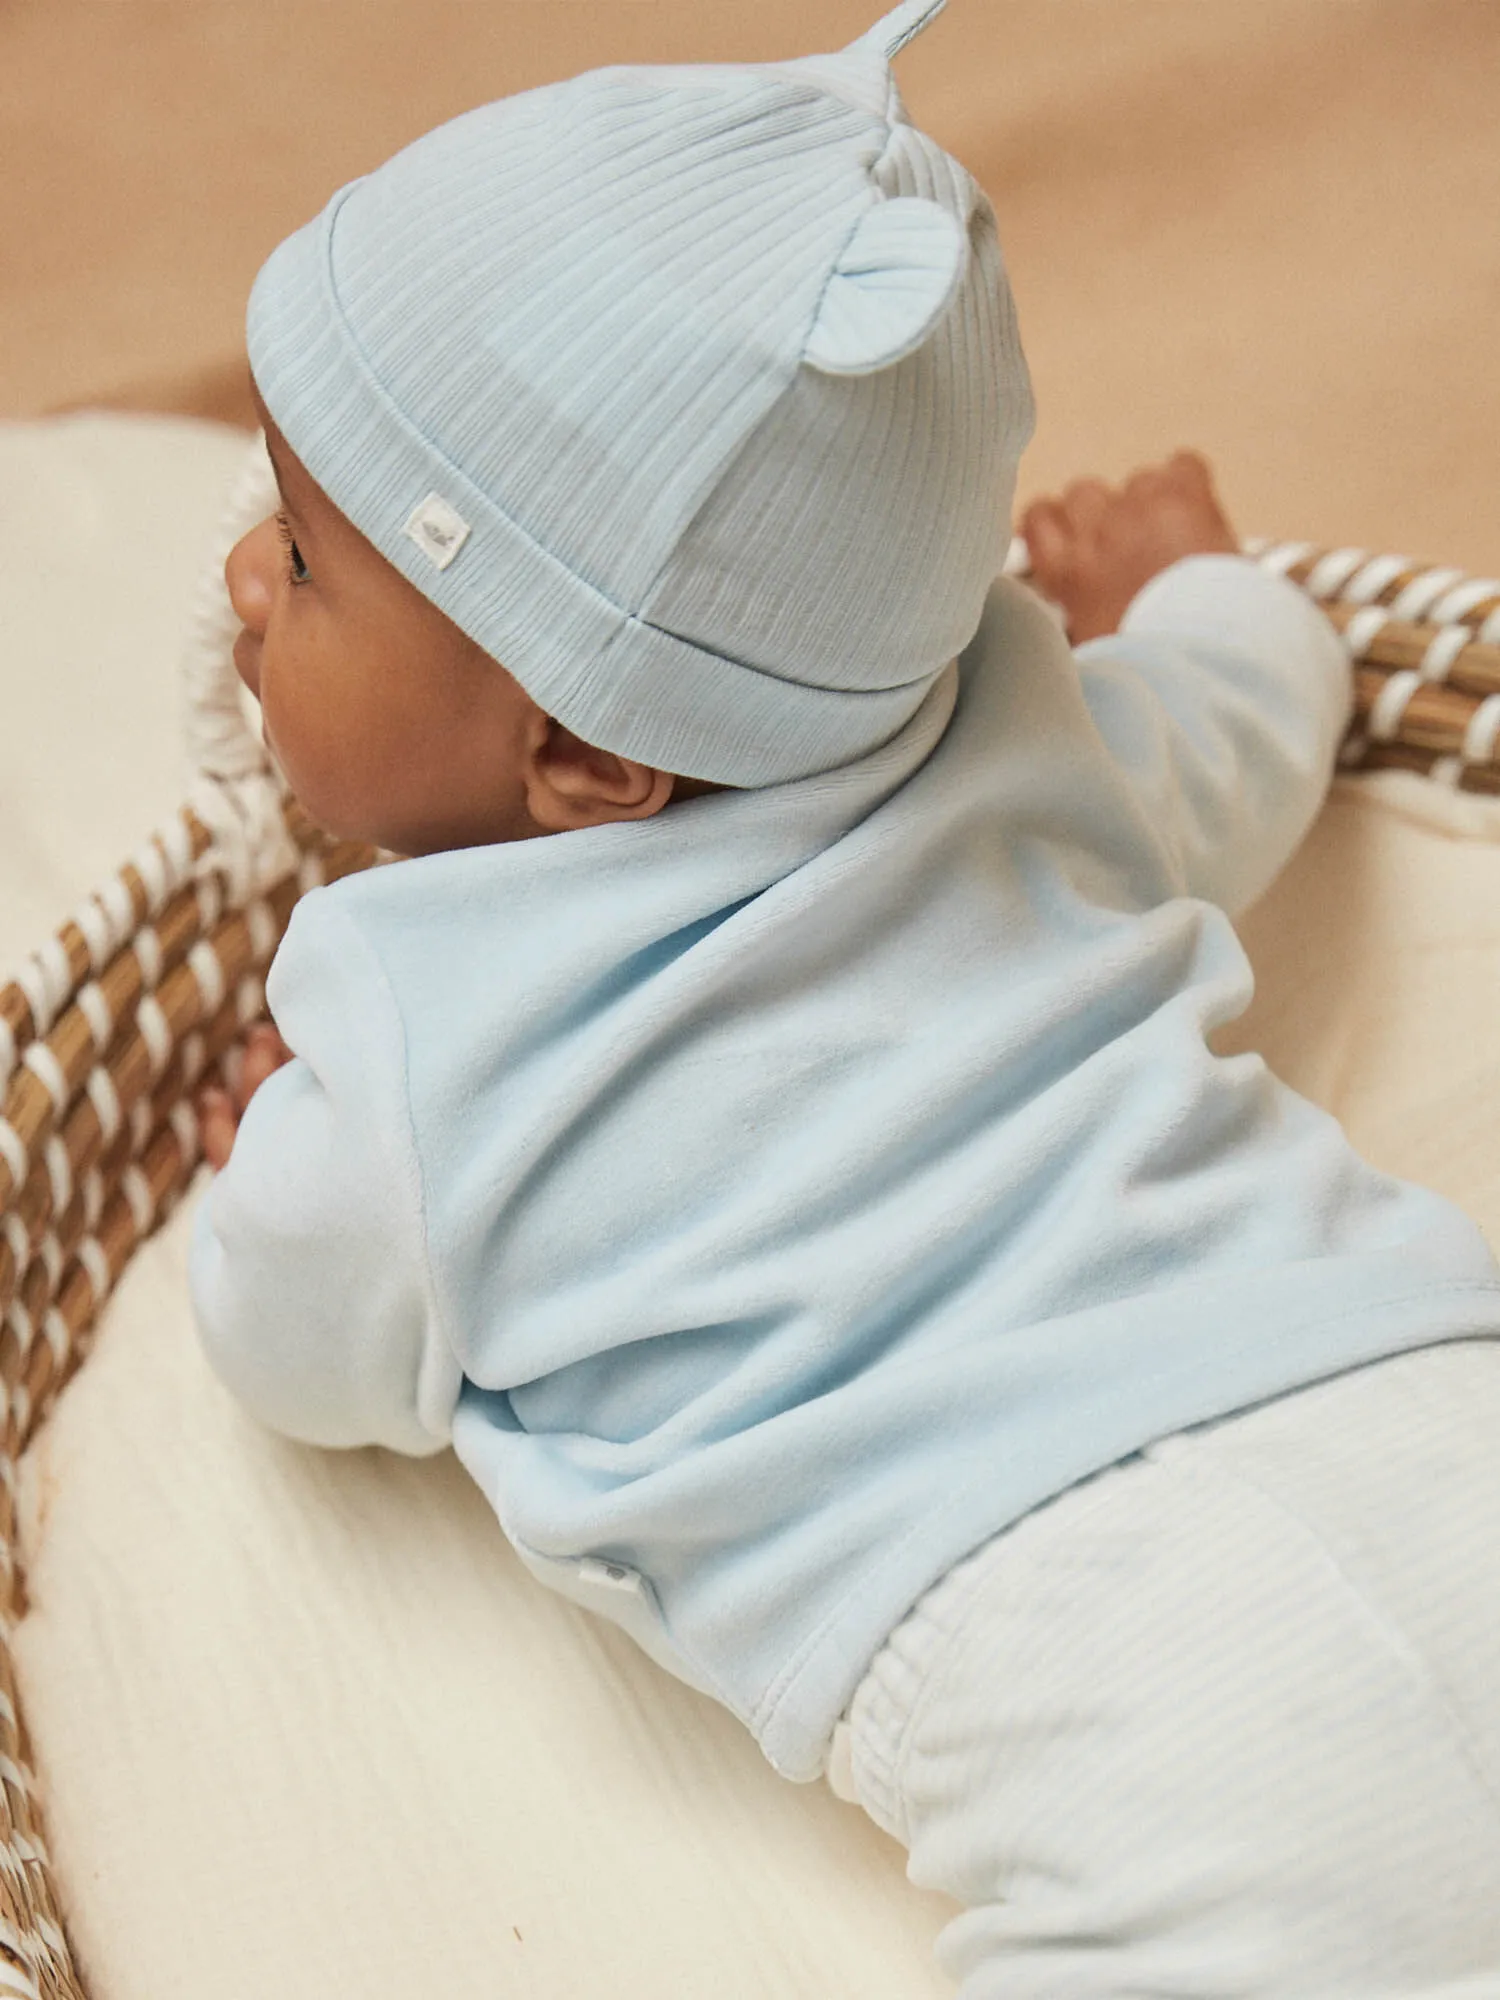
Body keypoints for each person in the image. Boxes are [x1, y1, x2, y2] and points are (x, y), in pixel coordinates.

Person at [190, 1, 1500, 1990]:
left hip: (1104, 1653)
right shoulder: (1024, 727)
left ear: (591, 766)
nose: (234, 577)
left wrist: (261, 1158)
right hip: (1408, 1381)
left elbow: (296, 1339)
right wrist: (1208, 580)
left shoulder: (410, 1027)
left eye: (302, 553)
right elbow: (1248, 726)